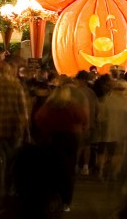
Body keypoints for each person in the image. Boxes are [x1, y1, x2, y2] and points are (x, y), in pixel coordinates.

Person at [34, 83, 89, 212]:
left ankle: (51, 198)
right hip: (69, 140)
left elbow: (38, 118)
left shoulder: (48, 107)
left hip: (51, 139)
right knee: (68, 171)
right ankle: (66, 201)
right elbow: (84, 119)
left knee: (49, 169)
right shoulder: (72, 107)